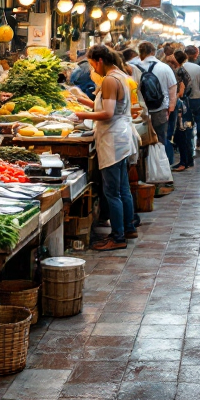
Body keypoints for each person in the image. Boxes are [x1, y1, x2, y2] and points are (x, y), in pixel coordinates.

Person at [73, 45, 138, 251]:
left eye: (92, 64)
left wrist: (82, 115)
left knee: (113, 192)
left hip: (113, 138)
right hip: (120, 136)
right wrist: (84, 102)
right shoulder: (119, 75)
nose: (93, 69)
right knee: (123, 188)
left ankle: (117, 237)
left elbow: (108, 113)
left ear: (100, 60)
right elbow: (107, 107)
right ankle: (128, 227)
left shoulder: (110, 79)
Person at [138, 41, 177, 160]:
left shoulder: (132, 67)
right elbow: (172, 89)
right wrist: (171, 108)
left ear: (140, 53)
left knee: (140, 141)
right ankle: (161, 166)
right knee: (160, 139)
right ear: (153, 52)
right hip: (160, 109)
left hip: (138, 111)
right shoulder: (164, 68)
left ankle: (145, 168)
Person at [172, 50, 194, 172]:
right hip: (187, 106)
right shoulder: (184, 70)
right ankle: (188, 161)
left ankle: (184, 162)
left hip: (182, 108)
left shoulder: (179, 72)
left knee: (182, 134)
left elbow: (181, 91)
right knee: (186, 134)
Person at [183, 45, 200, 150]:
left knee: (187, 119)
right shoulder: (198, 68)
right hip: (196, 98)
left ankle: (188, 137)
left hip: (184, 99)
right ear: (195, 55)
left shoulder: (181, 67)